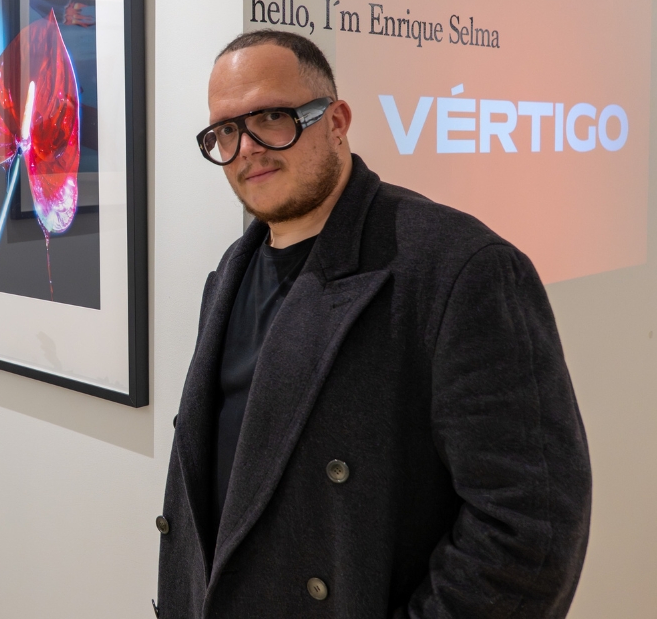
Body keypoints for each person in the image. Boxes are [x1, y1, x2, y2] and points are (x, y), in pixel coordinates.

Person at [155, 30, 592, 618]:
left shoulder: (458, 269)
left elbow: (528, 528)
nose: (248, 149)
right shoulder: (233, 270)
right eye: (226, 131)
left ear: (336, 120)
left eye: (273, 118)